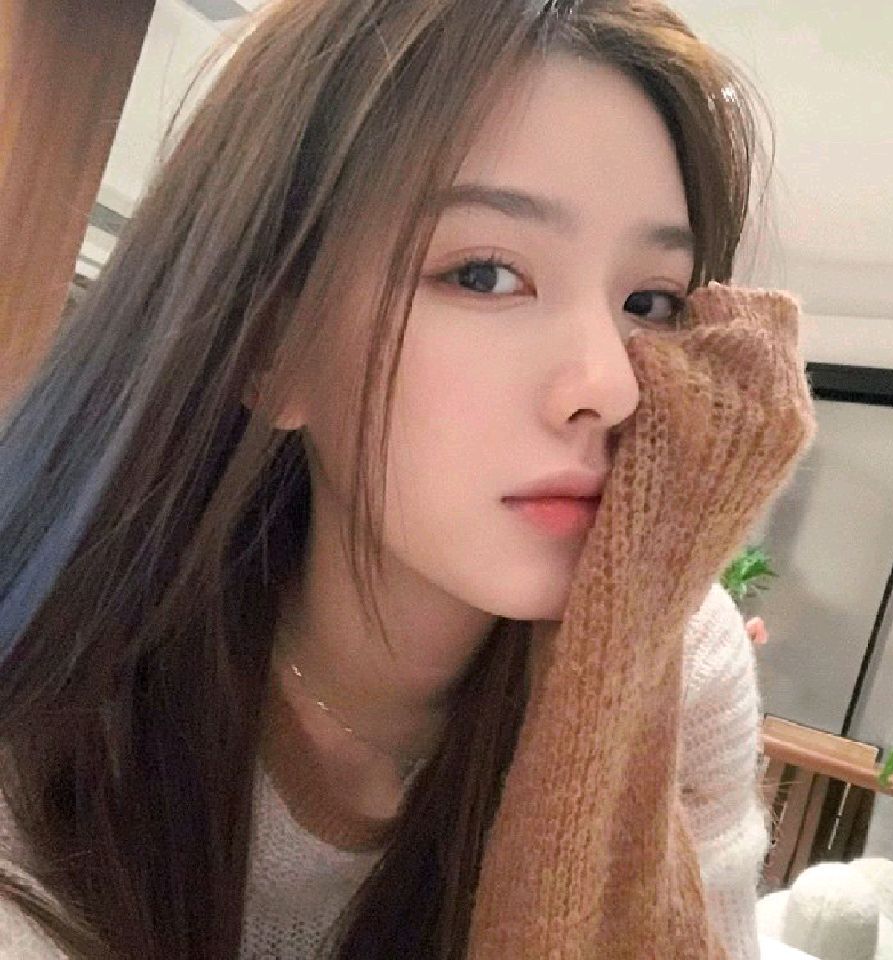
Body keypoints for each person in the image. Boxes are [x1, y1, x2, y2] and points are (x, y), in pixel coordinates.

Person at [0, 1, 815, 958]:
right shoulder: (68, 680)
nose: (611, 384)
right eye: (484, 275)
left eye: (651, 301)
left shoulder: (678, 661)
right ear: (271, 345)